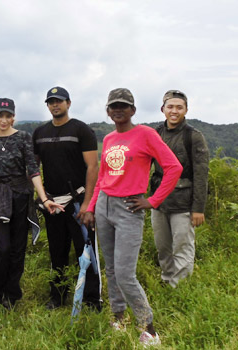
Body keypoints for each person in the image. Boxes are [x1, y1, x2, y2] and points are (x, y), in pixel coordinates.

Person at [83, 88, 182, 347]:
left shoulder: (146, 134)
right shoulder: (109, 139)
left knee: (126, 272)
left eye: (123, 106)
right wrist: (92, 207)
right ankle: (119, 318)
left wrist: (152, 200)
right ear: (107, 111)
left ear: (133, 110)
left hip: (130, 207)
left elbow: (174, 167)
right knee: (112, 269)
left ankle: (149, 328)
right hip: (105, 204)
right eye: (114, 106)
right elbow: (103, 177)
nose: (118, 110)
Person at [0, 98, 63, 308]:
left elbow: (32, 170)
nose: (4, 120)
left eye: (8, 116)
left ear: (13, 117)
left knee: (16, 248)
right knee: (0, 248)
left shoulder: (23, 138)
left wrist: (44, 198)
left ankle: (11, 294)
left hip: (21, 198)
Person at [32, 86, 101, 310]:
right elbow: (34, 169)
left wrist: (89, 204)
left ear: (68, 103)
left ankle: (91, 299)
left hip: (79, 200)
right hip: (53, 204)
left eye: (59, 101)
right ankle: (58, 297)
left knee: (87, 250)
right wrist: (42, 199)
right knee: (57, 251)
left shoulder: (81, 130)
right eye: (51, 101)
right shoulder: (40, 133)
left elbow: (93, 167)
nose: (55, 105)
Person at [150, 90, 209, 288]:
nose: (174, 111)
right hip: (159, 200)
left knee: (182, 247)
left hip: (184, 201)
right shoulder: (155, 134)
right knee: (163, 247)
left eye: (179, 107)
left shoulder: (193, 136)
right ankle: (167, 282)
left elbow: (201, 175)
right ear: (163, 109)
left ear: (186, 110)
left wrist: (198, 208)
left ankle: (180, 289)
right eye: (170, 106)